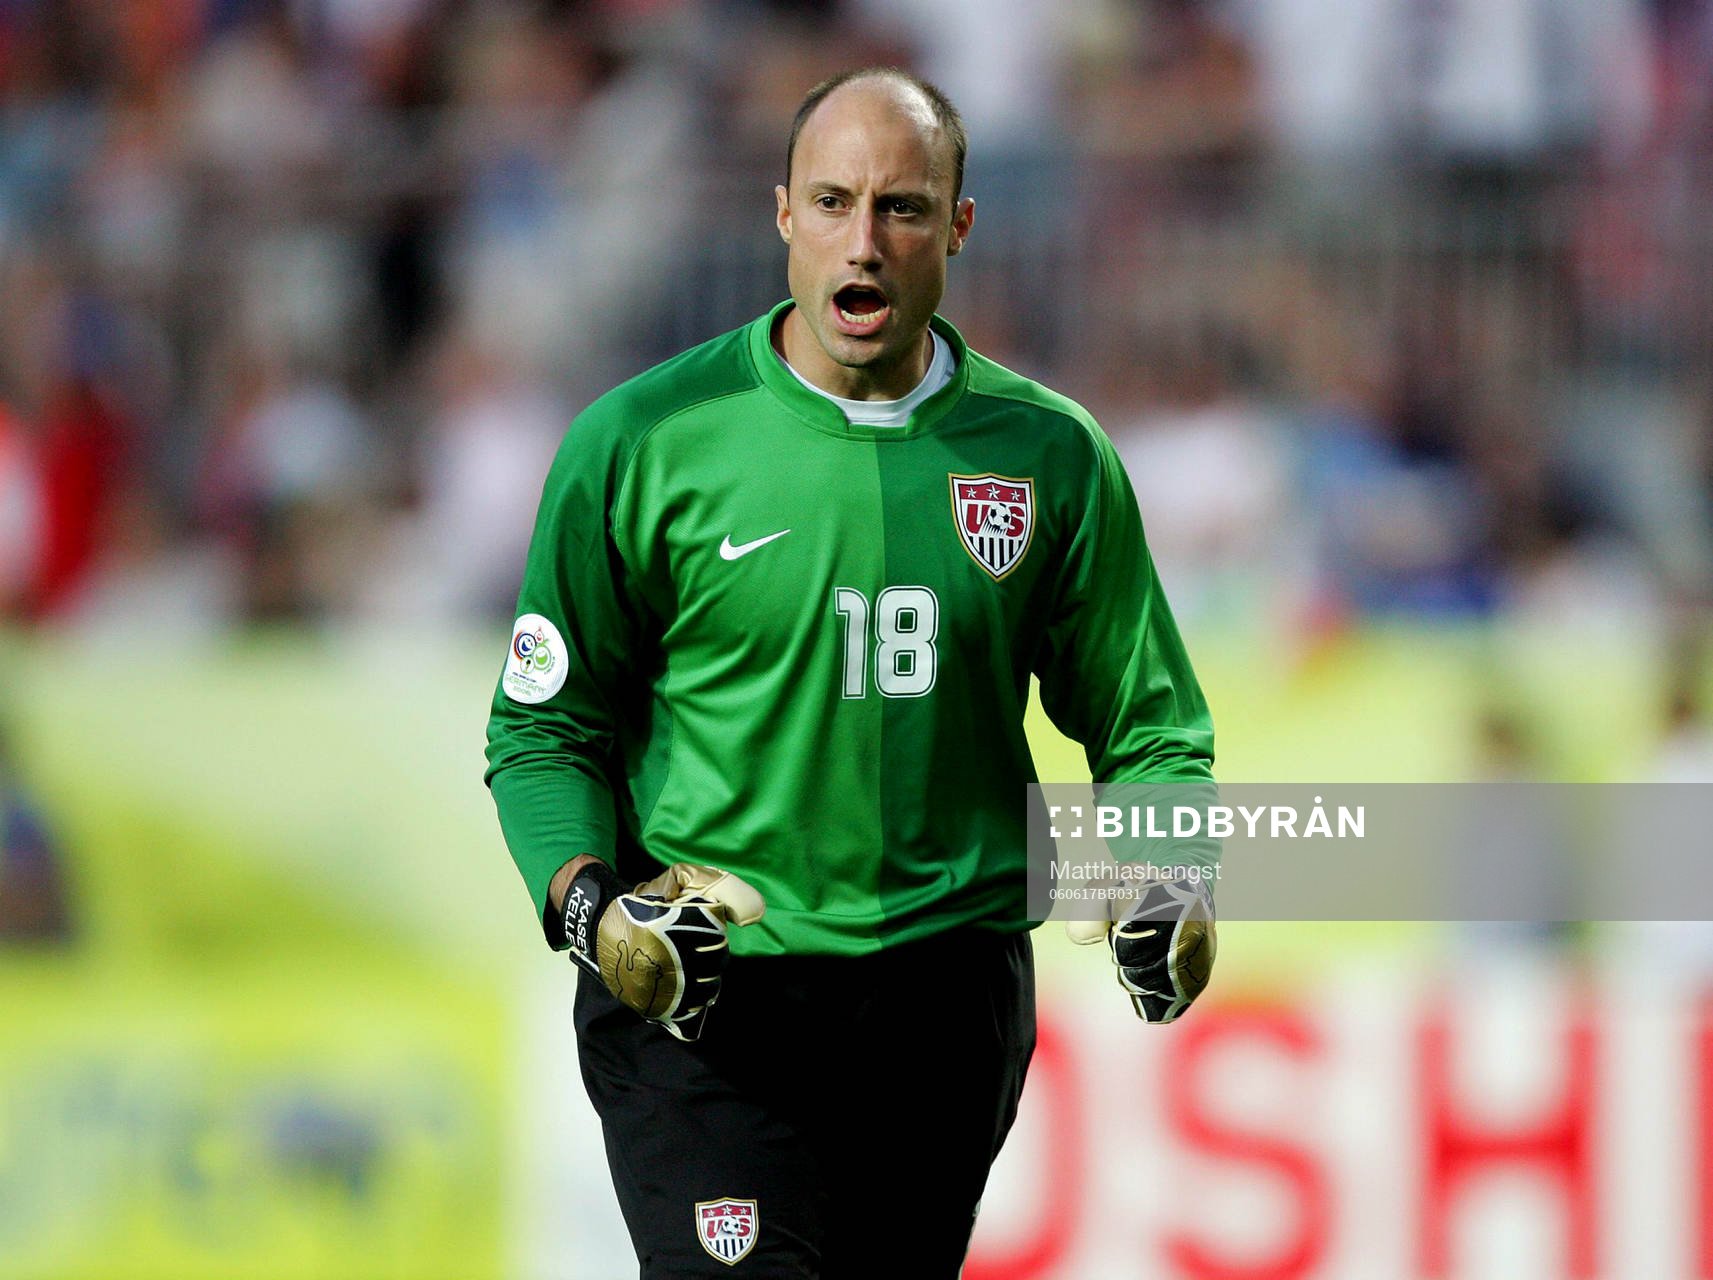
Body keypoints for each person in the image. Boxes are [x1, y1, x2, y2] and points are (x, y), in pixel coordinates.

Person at [485, 66, 1216, 1277]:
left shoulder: (1051, 456)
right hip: (709, 997)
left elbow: (1147, 724)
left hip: (948, 1004)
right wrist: (590, 908)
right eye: (831, 202)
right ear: (783, 214)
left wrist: (1170, 870)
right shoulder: (641, 441)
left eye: (901, 207)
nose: (862, 241)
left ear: (958, 226)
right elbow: (541, 728)